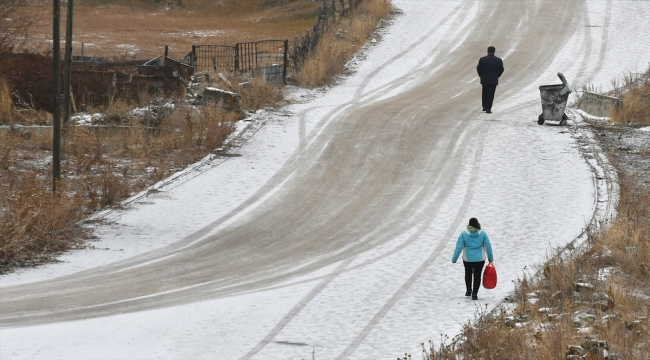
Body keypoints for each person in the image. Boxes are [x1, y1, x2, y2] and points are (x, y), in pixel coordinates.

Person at [451, 218, 494, 300]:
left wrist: (454, 259)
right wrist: (490, 259)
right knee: (477, 276)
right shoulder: (483, 234)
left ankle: (468, 290)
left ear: (469, 224)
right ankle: (474, 293)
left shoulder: (463, 234)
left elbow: (459, 247)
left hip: (467, 259)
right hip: (480, 259)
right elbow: (488, 247)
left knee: (468, 274)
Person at [476, 46, 504, 113]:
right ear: (494, 51)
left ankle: (484, 106)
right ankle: (488, 108)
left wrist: (481, 75)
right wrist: (497, 76)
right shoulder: (498, 60)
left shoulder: (482, 59)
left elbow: (478, 68)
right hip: (493, 79)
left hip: (484, 79)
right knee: (491, 93)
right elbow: (501, 69)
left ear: (487, 51)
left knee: (484, 92)